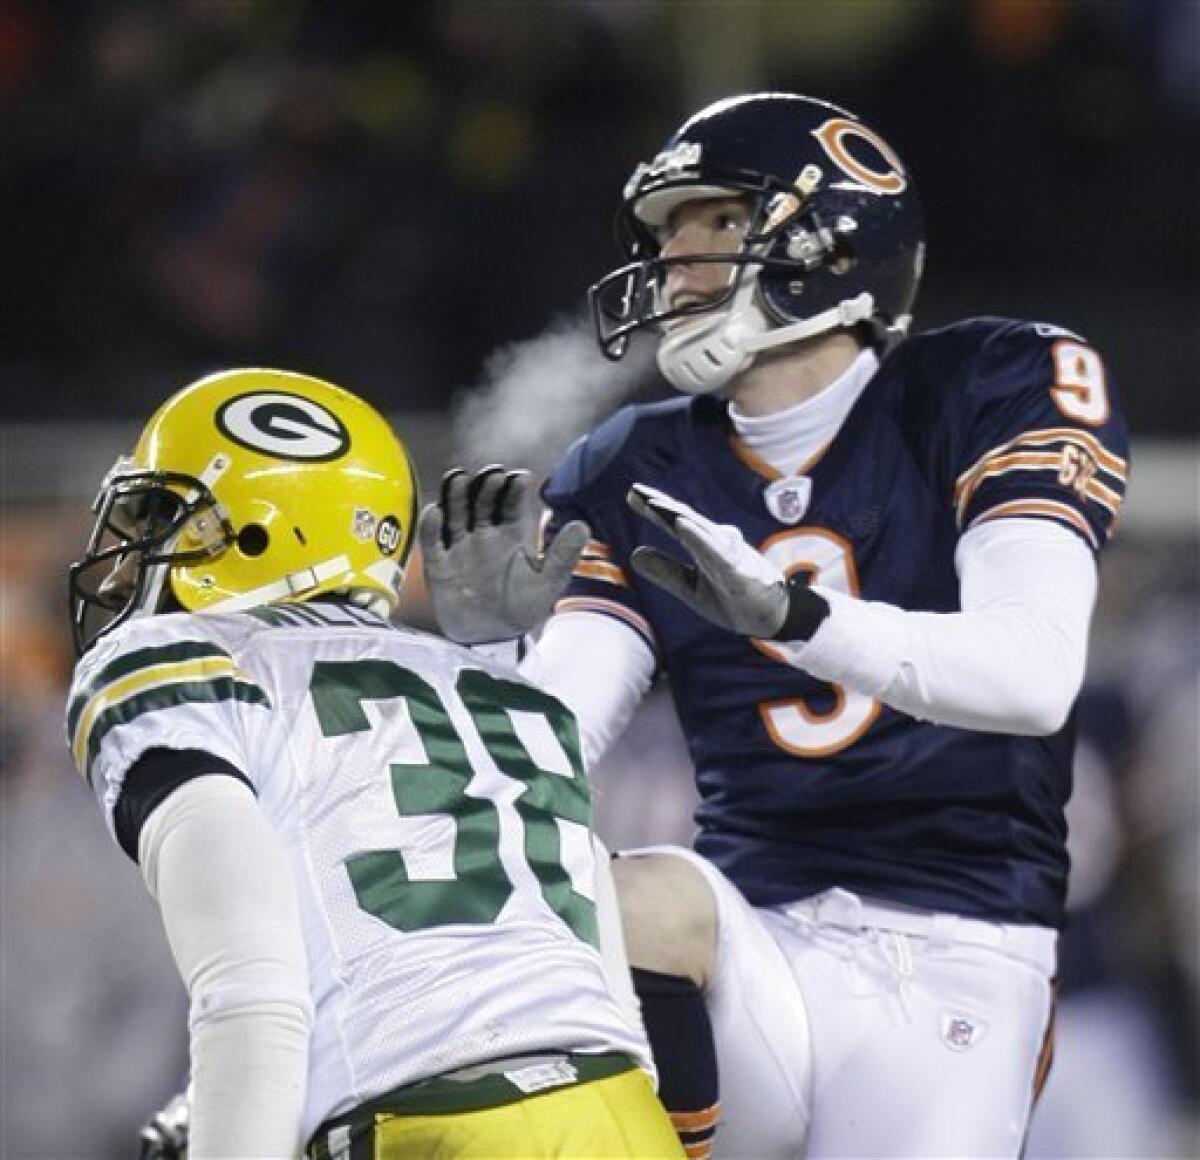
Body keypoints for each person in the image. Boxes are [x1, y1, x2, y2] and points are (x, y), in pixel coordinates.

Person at [419, 92, 1130, 1159]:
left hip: (958, 949)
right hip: (752, 940)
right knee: (614, 898)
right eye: (665, 234)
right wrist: (482, 658)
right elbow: (543, 756)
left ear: (830, 236)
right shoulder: (634, 462)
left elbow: (1031, 674)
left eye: (711, 221)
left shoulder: (989, 384)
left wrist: (794, 618)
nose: (674, 261)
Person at [64, 367, 684, 1160]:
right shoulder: (496, 683)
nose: (126, 560)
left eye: (165, 515)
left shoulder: (183, 662)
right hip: (619, 1114)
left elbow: (251, 1000)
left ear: (258, 529)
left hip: (428, 1131)